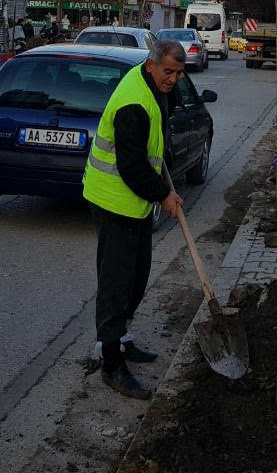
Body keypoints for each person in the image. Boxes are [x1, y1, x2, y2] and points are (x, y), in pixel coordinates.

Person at [82, 39, 187, 399]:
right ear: (151, 64)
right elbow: (131, 166)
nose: (173, 79)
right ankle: (111, 363)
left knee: (137, 276)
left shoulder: (155, 87)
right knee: (116, 284)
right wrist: (163, 194)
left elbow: (153, 141)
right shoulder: (133, 103)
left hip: (134, 204)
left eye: (179, 73)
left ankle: (122, 338)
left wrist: (163, 177)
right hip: (114, 201)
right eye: (168, 72)